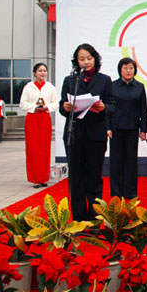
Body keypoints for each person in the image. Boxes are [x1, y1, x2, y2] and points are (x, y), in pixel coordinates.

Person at [59, 44, 115, 221]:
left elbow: (113, 105)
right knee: (75, 176)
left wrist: (103, 107)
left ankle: (95, 216)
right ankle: (78, 216)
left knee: (94, 177)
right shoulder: (70, 81)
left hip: (96, 135)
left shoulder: (104, 80)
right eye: (82, 59)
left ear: (95, 59)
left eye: (89, 58)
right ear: (76, 61)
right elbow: (62, 105)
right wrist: (66, 107)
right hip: (74, 134)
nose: (86, 62)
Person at [106, 58, 147, 199]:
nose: (128, 71)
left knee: (131, 161)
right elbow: (108, 108)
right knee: (116, 161)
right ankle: (116, 192)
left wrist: (143, 130)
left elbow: (143, 109)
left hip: (132, 128)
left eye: (131, 68)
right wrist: (108, 127)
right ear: (120, 70)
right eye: (125, 68)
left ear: (135, 70)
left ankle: (130, 192)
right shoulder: (112, 86)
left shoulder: (139, 87)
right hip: (116, 129)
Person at [19, 63, 59, 188]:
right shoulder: (29, 87)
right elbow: (23, 103)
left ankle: (43, 178)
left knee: (44, 149)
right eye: (40, 71)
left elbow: (55, 103)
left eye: (45, 71)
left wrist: (48, 107)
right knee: (33, 149)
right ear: (35, 73)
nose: (43, 73)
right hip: (32, 119)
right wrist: (34, 108)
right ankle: (34, 179)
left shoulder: (50, 87)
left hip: (44, 119)